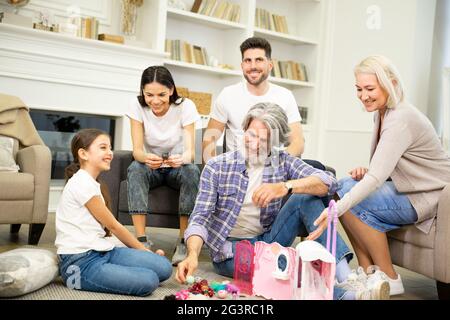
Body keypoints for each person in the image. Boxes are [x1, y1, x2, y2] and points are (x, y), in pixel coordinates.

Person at [176, 103, 390, 300]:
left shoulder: (280, 160)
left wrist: (285, 186)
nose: (255, 144)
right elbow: (200, 217)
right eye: (251, 135)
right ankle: (347, 296)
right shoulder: (217, 166)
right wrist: (192, 254)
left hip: (269, 239)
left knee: (305, 196)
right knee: (287, 269)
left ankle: (347, 278)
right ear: (244, 131)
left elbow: (329, 182)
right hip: (232, 250)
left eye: (264, 139)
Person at [309, 55, 450, 297]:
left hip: (430, 196)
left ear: (391, 84)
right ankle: (369, 274)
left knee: (346, 195)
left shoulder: (401, 118)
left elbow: (376, 179)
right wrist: (366, 172)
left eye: (370, 88)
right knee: (343, 186)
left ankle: (389, 277)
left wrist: (336, 208)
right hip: (409, 188)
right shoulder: (382, 113)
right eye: (359, 89)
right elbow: (384, 168)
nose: (363, 95)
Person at [55, 128, 172, 296]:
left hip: (103, 250)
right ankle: (112, 273)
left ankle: (120, 270)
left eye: (110, 148)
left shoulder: (92, 182)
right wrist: (142, 250)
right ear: (83, 153)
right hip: (80, 262)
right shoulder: (81, 183)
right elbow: (114, 226)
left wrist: (145, 256)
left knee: (163, 267)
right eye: (103, 148)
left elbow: (108, 231)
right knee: (150, 280)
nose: (110, 153)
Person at [126, 66, 201, 266]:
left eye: (162, 94)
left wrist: (182, 158)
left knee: (192, 171)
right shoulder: (136, 105)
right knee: (135, 168)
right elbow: (137, 151)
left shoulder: (186, 106)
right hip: (152, 166)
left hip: (178, 167)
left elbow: (191, 152)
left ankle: (183, 240)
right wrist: (145, 158)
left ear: (171, 90)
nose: (155, 101)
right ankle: (141, 241)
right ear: (142, 91)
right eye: (149, 94)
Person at [202, 37, 305, 162]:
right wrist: (216, 171)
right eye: (248, 60)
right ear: (242, 65)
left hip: (275, 163)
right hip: (238, 166)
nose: (253, 66)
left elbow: (298, 142)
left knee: (318, 167)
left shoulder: (285, 96)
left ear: (270, 65)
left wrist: (279, 164)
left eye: (259, 60)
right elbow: (209, 140)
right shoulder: (227, 95)